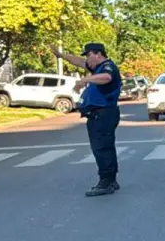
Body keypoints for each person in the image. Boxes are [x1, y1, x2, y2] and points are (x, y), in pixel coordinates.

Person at [52, 42, 123, 197]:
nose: (87, 60)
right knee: (104, 147)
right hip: (98, 114)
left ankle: (106, 182)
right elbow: (78, 61)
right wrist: (62, 55)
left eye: (89, 55)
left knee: (102, 148)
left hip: (103, 114)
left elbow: (106, 78)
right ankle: (111, 180)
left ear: (98, 54)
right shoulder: (97, 67)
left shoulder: (107, 67)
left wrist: (85, 80)